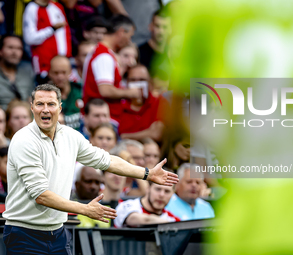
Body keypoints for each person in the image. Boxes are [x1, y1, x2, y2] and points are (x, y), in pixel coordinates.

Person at [2, 84, 178, 254]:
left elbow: (107, 160)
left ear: (60, 108)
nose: (45, 109)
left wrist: (147, 173)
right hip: (24, 233)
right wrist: (84, 209)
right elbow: (41, 195)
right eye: (40, 104)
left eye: (51, 104)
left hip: (58, 233)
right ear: (32, 108)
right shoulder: (24, 140)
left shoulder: (70, 136)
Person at [82, 14, 142, 124]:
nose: (129, 41)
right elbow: (105, 90)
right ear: (121, 32)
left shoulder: (101, 52)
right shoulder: (104, 56)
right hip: (103, 120)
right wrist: (130, 93)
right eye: (129, 36)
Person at [23, 0, 72, 83]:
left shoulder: (57, 6)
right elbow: (29, 38)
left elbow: (65, 34)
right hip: (44, 66)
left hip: (63, 63)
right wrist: (52, 29)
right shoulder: (32, 8)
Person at [119, 65, 169, 142]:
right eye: (133, 80)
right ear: (127, 82)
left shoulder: (159, 102)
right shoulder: (119, 104)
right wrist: (148, 132)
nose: (137, 84)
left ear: (149, 82)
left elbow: (157, 134)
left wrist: (125, 136)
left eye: (142, 80)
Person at [114, 181, 180, 228]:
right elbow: (135, 219)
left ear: (173, 194)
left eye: (167, 191)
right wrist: (171, 226)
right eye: (158, 189)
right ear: (148, 189)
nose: (161, 195)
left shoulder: (173, 219)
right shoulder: (127, 205)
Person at [0, 34, 35, 110]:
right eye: (10, 47)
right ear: (1, 51)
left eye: (19, 48)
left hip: (25, 117)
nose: (15, 52)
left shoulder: (27, 70)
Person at [48, 55, 83, 130]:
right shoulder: (42, 96)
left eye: (64, 72)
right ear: (50, 73)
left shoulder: (81, 91)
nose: (60, 77)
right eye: (56, 73)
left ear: (70, 72)